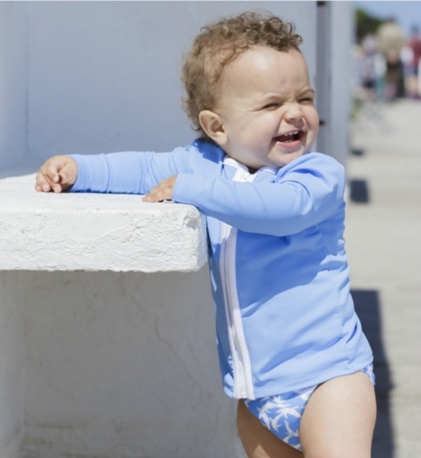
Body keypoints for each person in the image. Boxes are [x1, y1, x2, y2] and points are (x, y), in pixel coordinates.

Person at [35, 12, 376, 458]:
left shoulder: (316, 175)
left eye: (304, 97)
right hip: (256, 393)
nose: (294, 112)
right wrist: (78, 169)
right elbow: (143, 168)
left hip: (330, 380)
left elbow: (277, 211)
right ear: (217, 127)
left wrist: (192, 189)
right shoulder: (204, 165)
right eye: (272, 105)